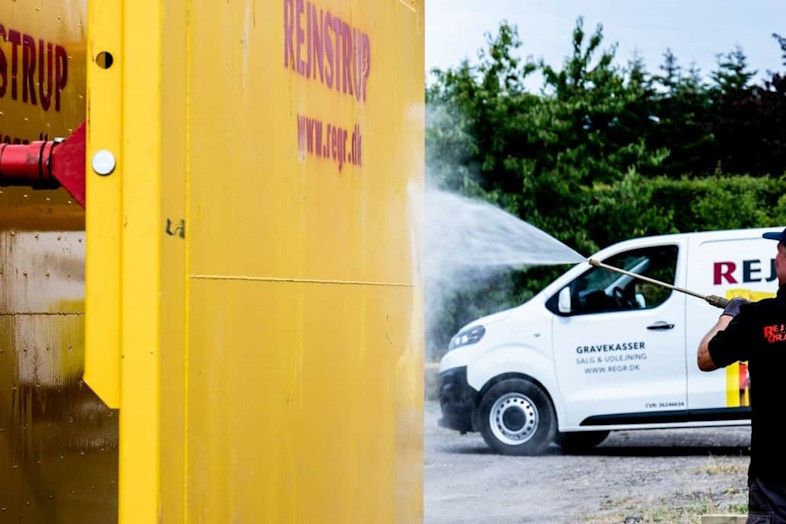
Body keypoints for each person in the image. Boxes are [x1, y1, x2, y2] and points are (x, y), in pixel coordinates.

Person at [698, 227, 786, 524]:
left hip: (773, 476)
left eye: (779, 251)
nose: (776, 257)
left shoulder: (758, 319)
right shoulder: (759, 318)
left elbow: (705, 358)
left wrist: (730, 315)